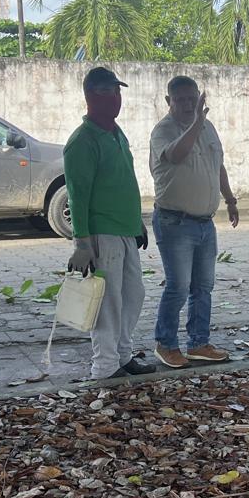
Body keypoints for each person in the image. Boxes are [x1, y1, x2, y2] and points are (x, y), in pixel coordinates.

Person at [63, 66, 156, 380]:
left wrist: (137, 222)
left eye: (117, 92)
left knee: (133, 295)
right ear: (90, 96)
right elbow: (77, 195)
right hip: (102, 233)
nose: (115, 98)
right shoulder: (82, 141)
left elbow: (124, 181)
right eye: (106, 92)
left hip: (126, 229)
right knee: (108, 301)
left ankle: (123, 354)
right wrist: (82, 243)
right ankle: (105, 365)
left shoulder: (117, 133)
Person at [149, 75, 239, 368]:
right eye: (181, 100)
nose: (188, 105)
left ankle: (198, 343)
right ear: (169, 101)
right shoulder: (163, 130)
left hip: (204, 223)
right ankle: (165, 344)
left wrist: (230, 199)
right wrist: (197, 122)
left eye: (192, 98)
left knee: (203, 286)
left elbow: (217, 165)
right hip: (175, 222)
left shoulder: (208, 127)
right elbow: (176, 155)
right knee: (178, 286)